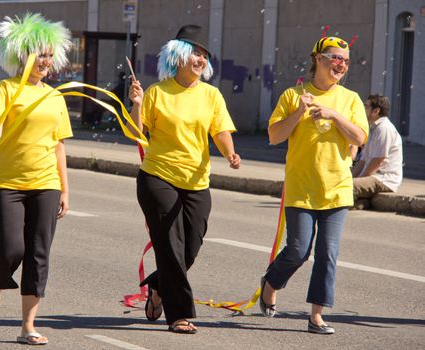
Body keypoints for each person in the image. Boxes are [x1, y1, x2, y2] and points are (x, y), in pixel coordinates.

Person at [128, 24, 240, 334]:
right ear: (178, 56)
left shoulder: (211, 95)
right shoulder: (157, 92)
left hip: (197, 181)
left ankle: (158, 285)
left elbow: (220, 130)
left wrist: (230, 153)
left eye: (204, 55)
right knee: (171, 247)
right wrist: (137, 105)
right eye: (195, 52)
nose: (200, 59)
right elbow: (139, 132)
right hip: (158, 178)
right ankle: (179, 315)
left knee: (191, 245)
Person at [0, 13, 72, 345]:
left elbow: (58, 146)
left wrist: (64, 189)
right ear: (21, 55)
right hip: (8, 183)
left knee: (39, 253)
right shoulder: (5, 89)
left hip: (46, 183)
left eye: (47, 55)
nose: (44, 61)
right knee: (10, 249)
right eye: (38, 53)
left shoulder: (55, 97)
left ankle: (28, 326)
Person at [259, 36, 369, 334]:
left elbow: (360, 138)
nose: (340, 65)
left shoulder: (350, 100)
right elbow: (274, 136)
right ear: (317, 60)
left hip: (337, 188)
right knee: (297, 250)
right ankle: (270, 284)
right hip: (301, 187)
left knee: (327, 253)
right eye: (334, 58)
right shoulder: (293, 95)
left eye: (345, 61)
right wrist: (299, 113)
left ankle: (317, 315)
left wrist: (334, 116)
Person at [352, 94, 403, 200]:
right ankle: (362, 203)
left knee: (345, 187)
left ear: (376, 111)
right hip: (373, 176)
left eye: (366, 106)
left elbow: (377, 161)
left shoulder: (384, 128)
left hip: (384, 179)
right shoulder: (374, 128)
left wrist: (360, 180)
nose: (363, 109)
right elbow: (363, 160)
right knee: (341, 182)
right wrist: (350, 177)